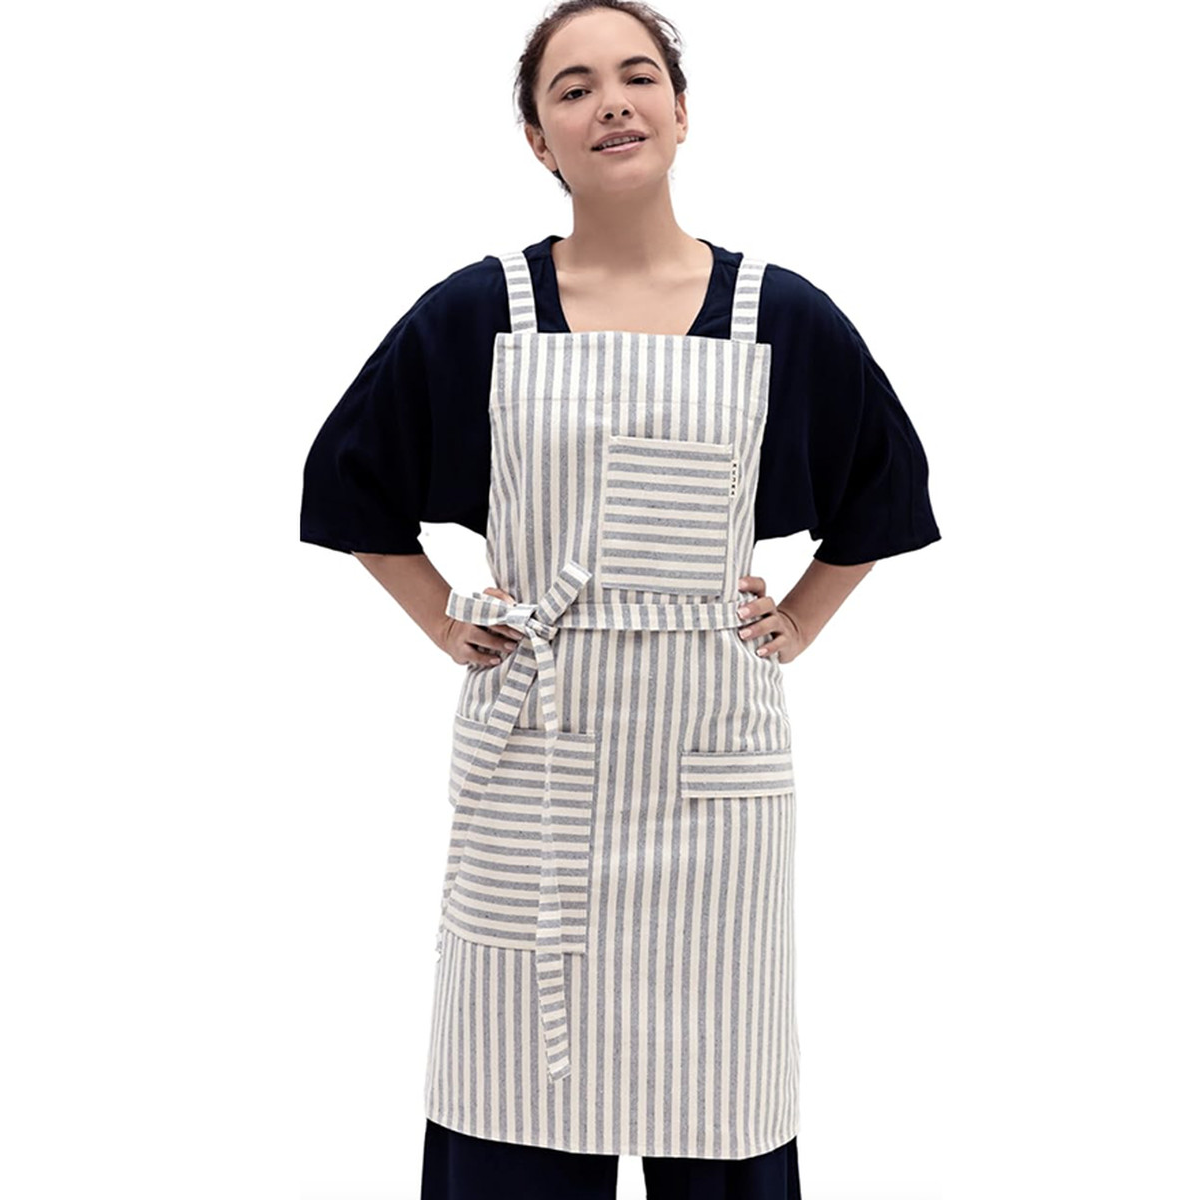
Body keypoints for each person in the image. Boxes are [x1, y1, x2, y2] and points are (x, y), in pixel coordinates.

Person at [299, 2, 941, 1196]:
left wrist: (797, 619)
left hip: (712, 792)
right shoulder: (477, 311)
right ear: (540, 139)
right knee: (510, 1117)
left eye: (639, 77)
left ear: (683, 113)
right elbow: (349, 484)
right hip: (533, 768)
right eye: (574, 87)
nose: (613, 102)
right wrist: (448, 620)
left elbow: (883, 493)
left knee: (722, 1110)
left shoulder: (779, 315)